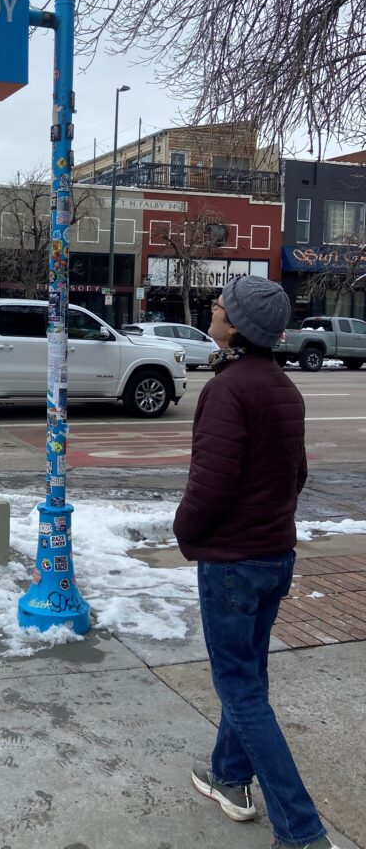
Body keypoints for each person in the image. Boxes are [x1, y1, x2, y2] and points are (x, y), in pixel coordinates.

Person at [173, 275, 338, 849]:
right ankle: (229, 775)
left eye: (218, 307)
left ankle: (301, 830)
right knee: (249, 675)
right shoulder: (282, 388)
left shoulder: (228, 390)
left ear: (236, 326)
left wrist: (185, 532)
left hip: (233, 564)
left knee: (240, 687)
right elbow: (296, 477)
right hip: (273, 557)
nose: (213, 312)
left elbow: (209, 487)